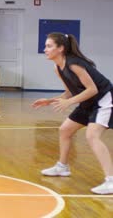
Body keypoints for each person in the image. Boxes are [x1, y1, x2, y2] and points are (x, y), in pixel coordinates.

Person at [32, 32, 113, 195]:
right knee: (65, 130)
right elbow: (69, 91)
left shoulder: (75, 64)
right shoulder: (57, 67)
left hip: (103, 100)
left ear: (61, 48)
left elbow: (93, 89)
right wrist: (50, 100)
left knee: (92, 135)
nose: (45, 49)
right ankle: (62, 167)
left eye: (49, 46)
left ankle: (111, 181)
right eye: (45, 46)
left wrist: (69, 102)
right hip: (88, 102)